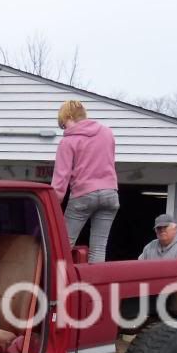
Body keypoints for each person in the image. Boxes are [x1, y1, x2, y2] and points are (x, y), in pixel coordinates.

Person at [50, 100, 119, 263]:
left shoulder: (67, 142)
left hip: (83, 195)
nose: (64, 130)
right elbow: (109, 161)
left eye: (63, 125)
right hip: (110, 194)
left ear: (68, 117)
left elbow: (61, 179)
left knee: (63, 244)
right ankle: (97, 279)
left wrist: (52, 205)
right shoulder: (107, 133)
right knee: (99, 248)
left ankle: (58, 277)